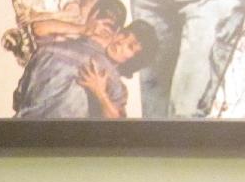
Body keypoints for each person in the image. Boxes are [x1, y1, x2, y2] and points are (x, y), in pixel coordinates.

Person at [12, 17, 157, 119]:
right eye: (124, 35)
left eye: (130, 46)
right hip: (24, 121)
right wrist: (82, 29)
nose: (121, 42)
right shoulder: (73, 43)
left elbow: (117, 125)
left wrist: (100, 93)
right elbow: (37, 29)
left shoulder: (113, 81)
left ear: (134, 61)